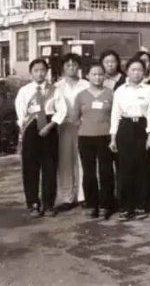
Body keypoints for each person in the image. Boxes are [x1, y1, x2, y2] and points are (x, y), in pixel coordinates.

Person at [15, 59, 67, 217]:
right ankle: (33, 203)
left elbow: (62, 110)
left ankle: (48, 204)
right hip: (31, 128)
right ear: (31, 73)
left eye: (42, 70)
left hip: (49, 128)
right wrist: (25, 130)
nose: (40, 73)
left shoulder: (55, 90)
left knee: (49, 168)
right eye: (36, 70)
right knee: (30, 168)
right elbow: (21, 113)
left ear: (47, 71)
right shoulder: (24, 91)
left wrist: (50, 126)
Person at [109, 58, 150, 220]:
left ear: (144, 72)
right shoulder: (120, 91)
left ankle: (141, 205)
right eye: (133, 70)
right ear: (127, 71)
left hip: (143, 127)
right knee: (125, 168)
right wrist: (113, 137)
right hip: (125, 128)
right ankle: (125, 206)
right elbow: (115, 115)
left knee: (142, 167)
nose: (136, 73)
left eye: (140, 70)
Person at [71, 63, 114, 220]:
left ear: (104, 76)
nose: (97, 77)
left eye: (100, 74)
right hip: (86, 138)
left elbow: (116, 116)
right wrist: (85, 128)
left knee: (106, 171)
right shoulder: (81, 95)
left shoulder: (110, 94)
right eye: (94, 74)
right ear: (87, 76)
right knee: (89, 173)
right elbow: (75, 118)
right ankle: (91, 204)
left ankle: (106, 204)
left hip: (105, 137)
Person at [56, 53, 89, 210]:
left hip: (83, 126)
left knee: (83, 160)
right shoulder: (57, 86)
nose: (71, 68)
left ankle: (83, 195)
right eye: (68, 65)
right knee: (65, 161)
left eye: (74, 65)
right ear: (63, 67)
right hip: (64, 127)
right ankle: (67, 197)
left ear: (79, 67)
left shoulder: (86, 84)